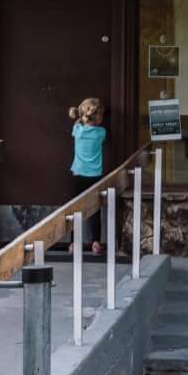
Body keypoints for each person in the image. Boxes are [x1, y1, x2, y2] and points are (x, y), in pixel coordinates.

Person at [68, 96, 108, 255]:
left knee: (75, 211)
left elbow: (76, 125)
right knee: (94, 210)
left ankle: (73, 244)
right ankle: (96, 243)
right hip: (95, 176)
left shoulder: (77, 131)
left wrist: (79, 118)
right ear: (97, 117)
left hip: (78, 175)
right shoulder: (101, 133)